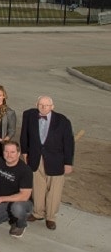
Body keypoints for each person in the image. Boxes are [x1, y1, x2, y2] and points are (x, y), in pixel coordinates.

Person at [21, 96, 75, 230]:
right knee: (38, 187)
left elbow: (69, 143)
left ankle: (51, 217)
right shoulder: (28, 115)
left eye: (47, 105)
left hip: (56, 160)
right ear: (36, 104)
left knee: (54, 191)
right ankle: (38, 213)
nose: (44, 107)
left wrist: (68, 163)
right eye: (41, 104)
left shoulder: (62, 121)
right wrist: (25, 152)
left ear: (52, 106)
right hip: (35, 158)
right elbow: (24, 135)